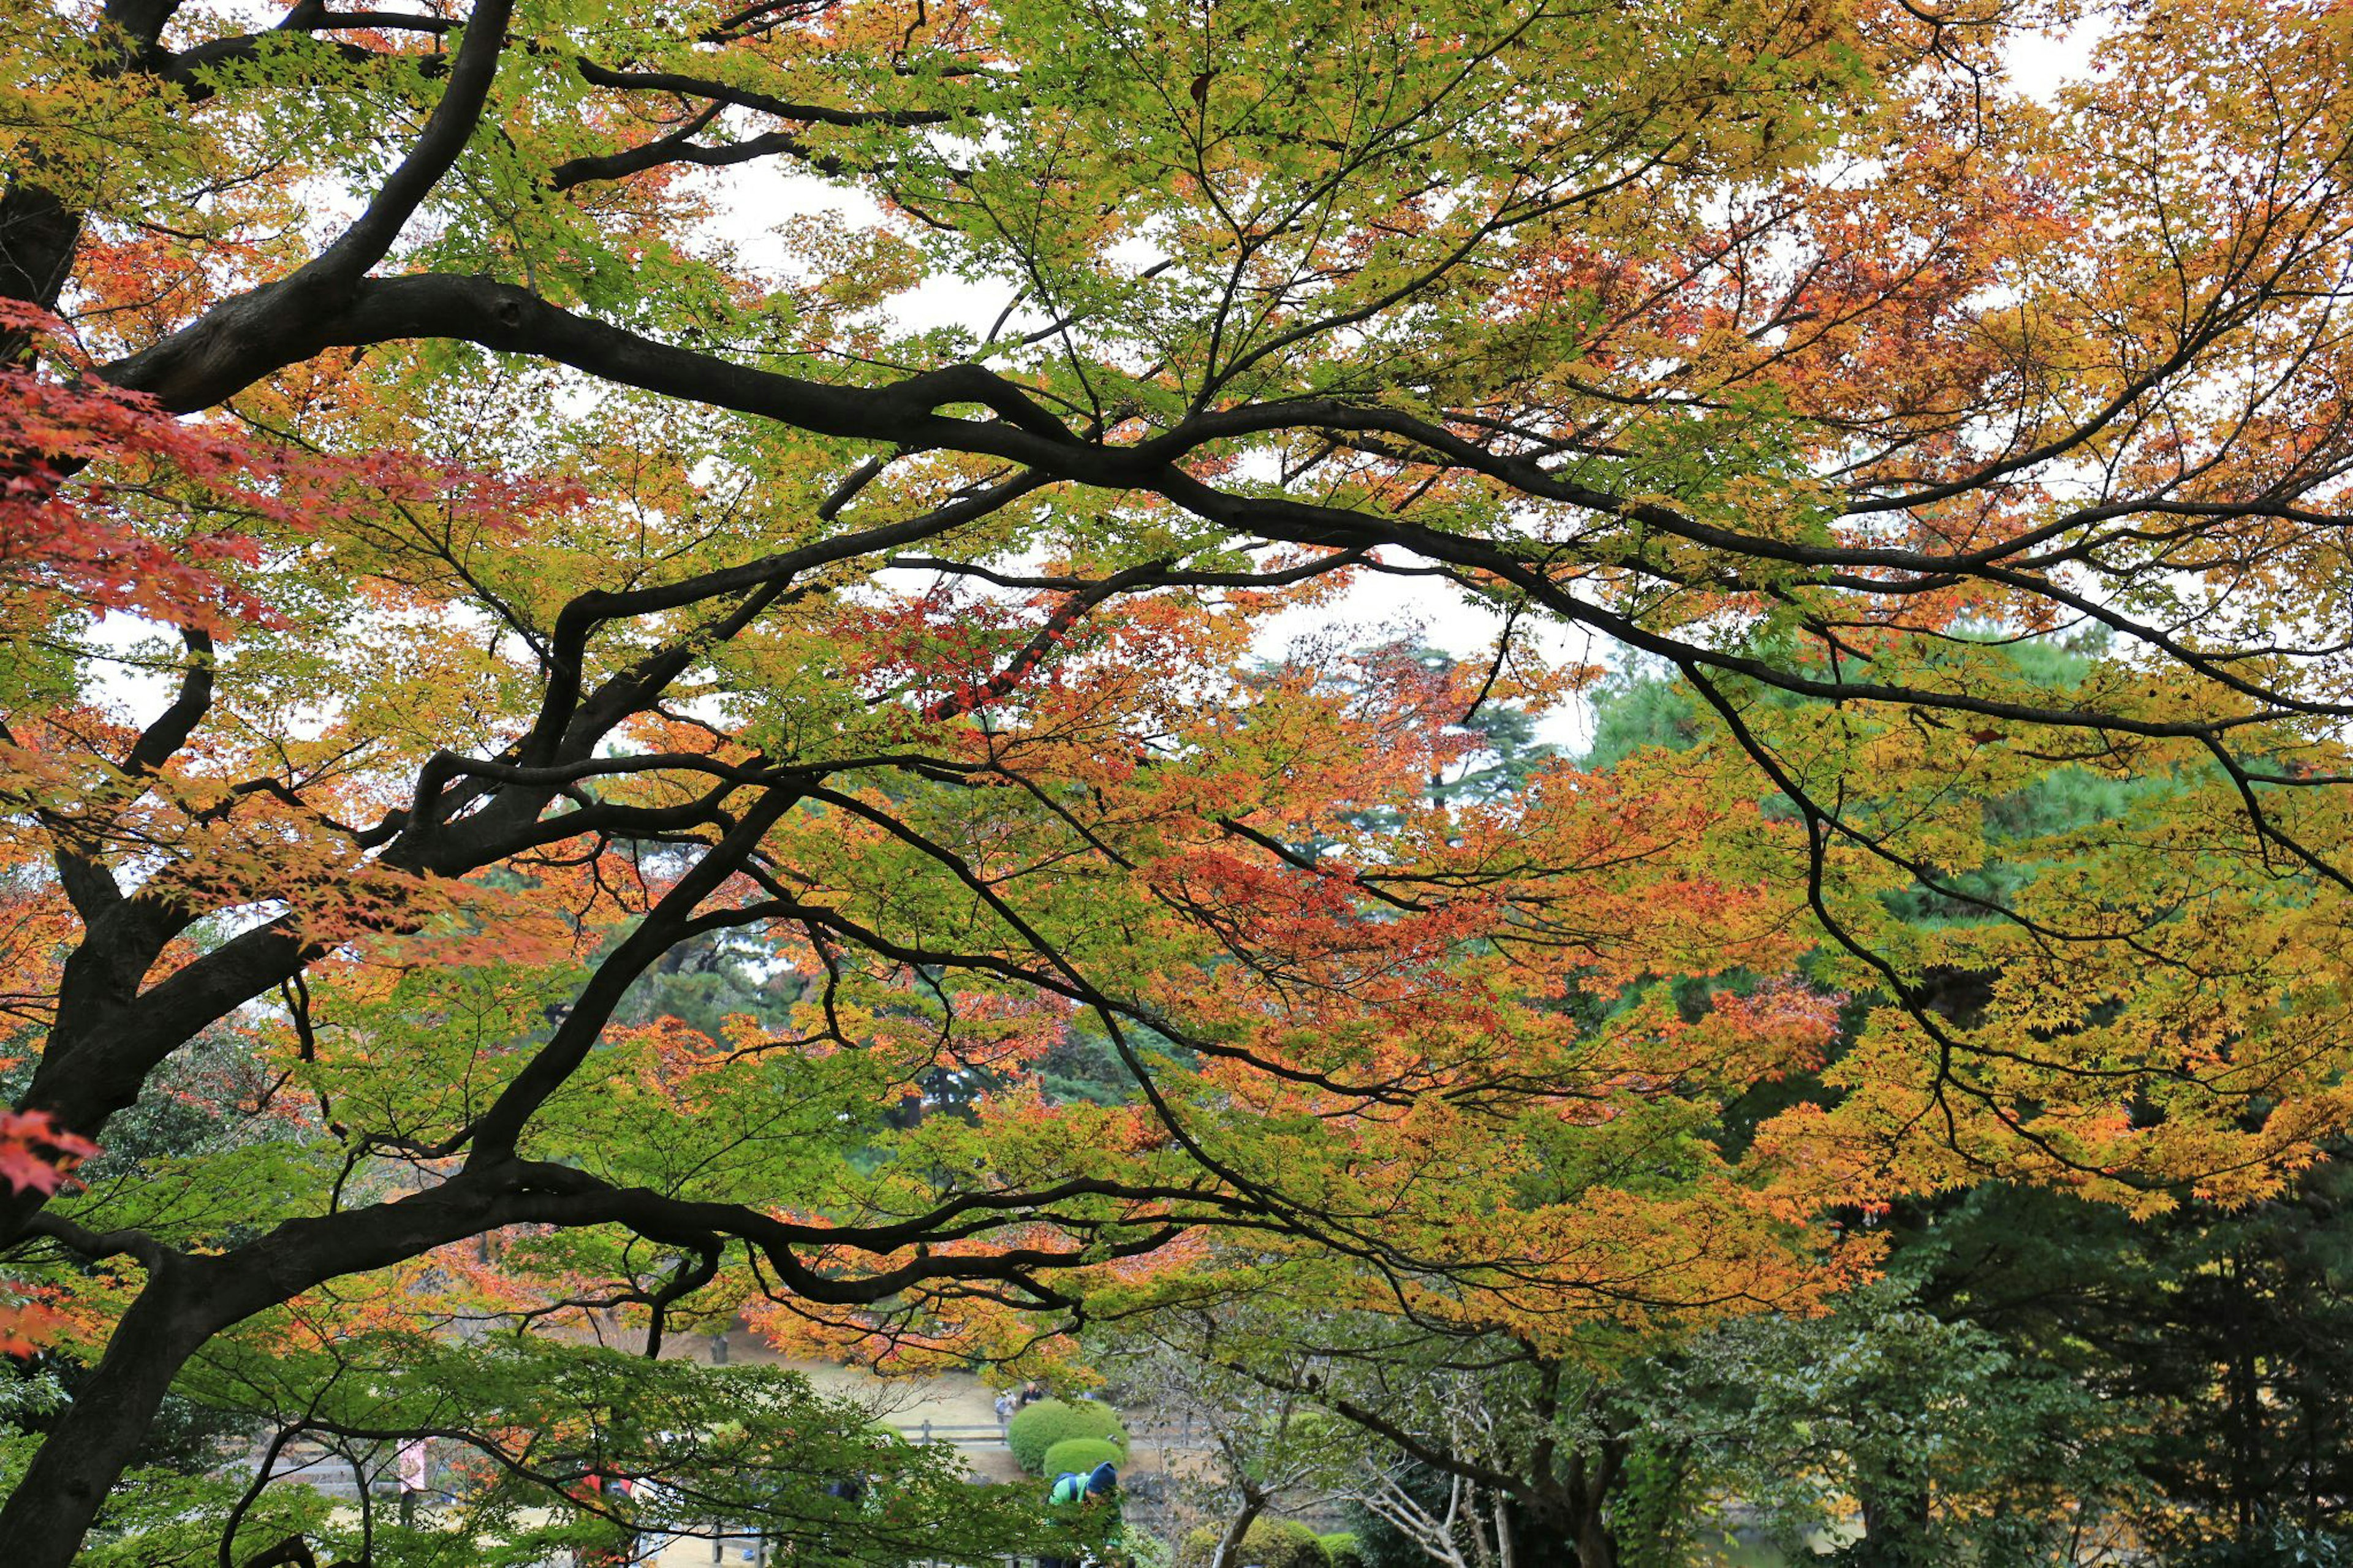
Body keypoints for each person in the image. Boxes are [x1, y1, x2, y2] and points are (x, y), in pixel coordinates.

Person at [1037, 1461, 1119, 1568]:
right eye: (1101, 1498)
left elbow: (1115, 1523)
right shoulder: (1063, 1492)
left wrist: (1111, 1545)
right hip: (1061, 1529)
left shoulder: (1111, 1500)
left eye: (1106, 1499)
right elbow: (1051, 1529)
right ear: (1092, 1491)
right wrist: (1071, 1548)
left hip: (1088, 1532)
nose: (1103, 1503)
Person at [395, 1437, 430, 1528]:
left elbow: (417, 1463)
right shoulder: (404, 1444)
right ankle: (404, 1523)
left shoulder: (417, 1446)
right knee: (404, 1500)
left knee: (409, 1500)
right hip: (406, 1476)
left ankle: (409, 1523)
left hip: (414, 1477)